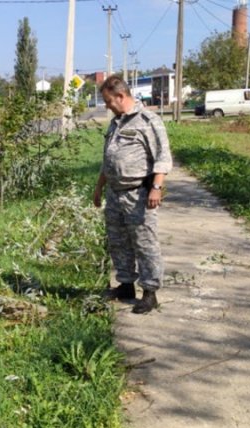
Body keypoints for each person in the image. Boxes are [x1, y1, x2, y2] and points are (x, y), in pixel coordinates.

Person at [93, 75, 173, 314]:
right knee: (118, 242)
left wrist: (156, 187)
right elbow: (108, 159)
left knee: (145, 243)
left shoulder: (148, 121)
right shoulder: (116, 122)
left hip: (138, 193)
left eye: (108, 100)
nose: (107, 105)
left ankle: (150, 293)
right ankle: (126, 285)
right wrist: (99, 187)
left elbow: (163, 157)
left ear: (120, 95)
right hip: (115, 194)